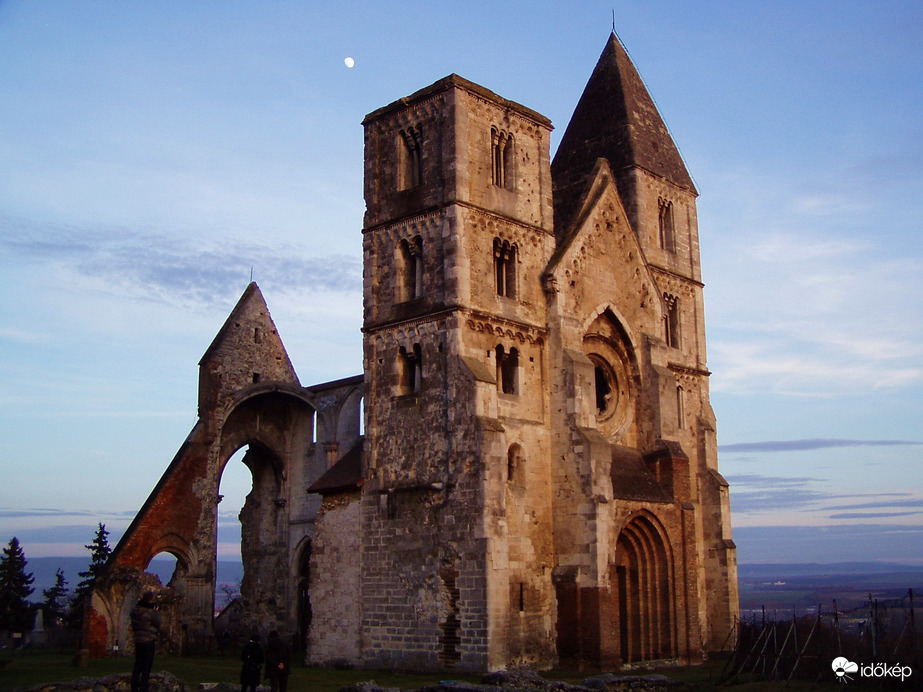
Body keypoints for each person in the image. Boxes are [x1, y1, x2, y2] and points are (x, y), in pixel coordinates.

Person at [130, 592, 162, 692]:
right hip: (148, 639)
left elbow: (132, 611)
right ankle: (144, 687)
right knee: (147, 664)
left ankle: (134, 686)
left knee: (138, 663)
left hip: (138, 639)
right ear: (150, 600)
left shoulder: (135, 611)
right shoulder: (151, 612)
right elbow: (158, 623)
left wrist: (139, 603)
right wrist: (155, 611)